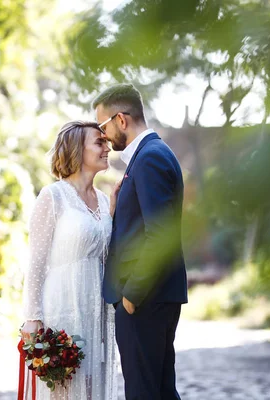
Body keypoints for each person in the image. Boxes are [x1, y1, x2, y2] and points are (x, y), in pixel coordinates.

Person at [94, 83, 188, 400]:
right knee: (158, 391)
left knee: (143, 392)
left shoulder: (150, 158)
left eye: (102, 125)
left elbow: (160, 234)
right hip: (154, 296)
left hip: (146, 297)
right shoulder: (149, 156)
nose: (102, 135)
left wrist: (132, 293)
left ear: (121, 119)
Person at [20, 121, 119, 399]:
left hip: (96, 309)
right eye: (99, 142)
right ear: (77, 150)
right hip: (62, 307)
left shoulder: (102, 199)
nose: (107, 147)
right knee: (64, 388)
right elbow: (36, 261)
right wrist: (33, 317)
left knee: (91, 388)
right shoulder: (52, 196)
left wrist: (112, 210)